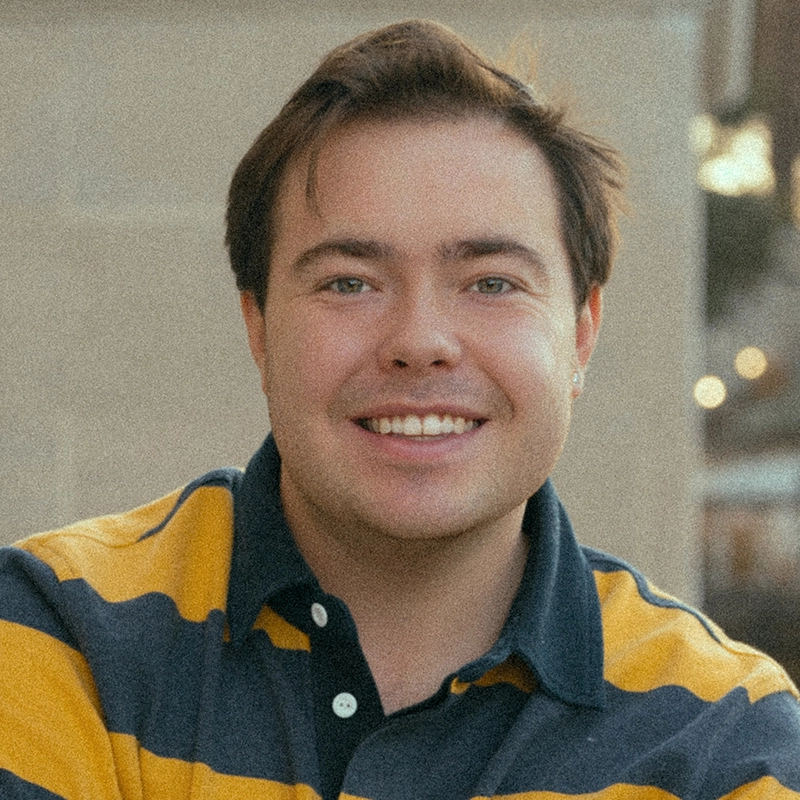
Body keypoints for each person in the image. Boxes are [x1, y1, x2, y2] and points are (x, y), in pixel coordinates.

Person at [1, 18, 799, 800]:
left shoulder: (725, 740)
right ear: (259, 327)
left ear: (582, 334)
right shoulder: (62, 629)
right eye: (349, 281)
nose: (420, 342)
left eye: (492, 282)